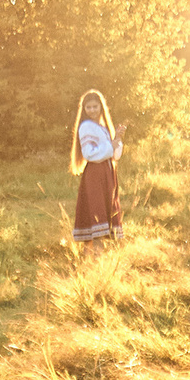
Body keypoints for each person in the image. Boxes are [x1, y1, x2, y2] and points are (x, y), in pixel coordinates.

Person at [69, 88, 123, 256]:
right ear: (84, 109)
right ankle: (94, 262)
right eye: (88, 107)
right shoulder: (86, 127)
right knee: (96, 214)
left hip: (107, 173)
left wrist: (118, 139)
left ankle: (95, 263)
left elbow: (115, 155)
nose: (92, 110)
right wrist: (111, 145)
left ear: (101, 107)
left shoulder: (103, 127)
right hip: (95, 174)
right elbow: (89, 153)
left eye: (95, 106)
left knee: (104, 215)